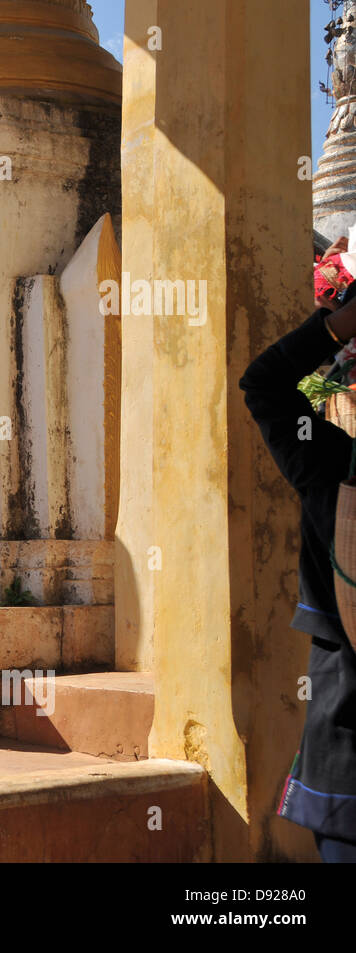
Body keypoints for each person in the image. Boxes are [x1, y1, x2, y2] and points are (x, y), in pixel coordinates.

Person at [240, 240, 356, 861]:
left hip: (342, 757)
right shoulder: (332, 464)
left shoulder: (329, 466)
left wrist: (338, 325)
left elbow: (263, 383)